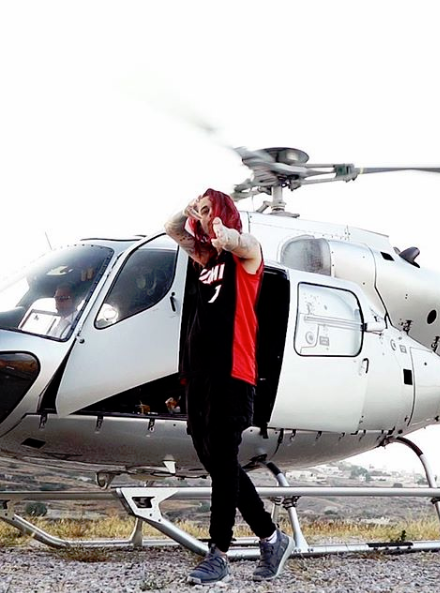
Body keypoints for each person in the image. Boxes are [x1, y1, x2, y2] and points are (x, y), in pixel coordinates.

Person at [164, 188, 294, 585]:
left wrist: (221, 228)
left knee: (222, 461)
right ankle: (271, 538)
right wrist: (187, 212)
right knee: (219, 464)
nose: (203, 217)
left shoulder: (247, 257)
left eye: (209, 210)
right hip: (200, 375)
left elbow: (239, 241)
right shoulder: (206, 259)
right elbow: (172, 229)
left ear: (223, 212)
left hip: (232, 374)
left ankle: (218, 553)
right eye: (200, 211)